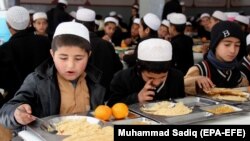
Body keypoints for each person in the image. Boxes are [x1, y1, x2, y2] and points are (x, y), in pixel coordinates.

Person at [0, 21, 106, 129]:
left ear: (89, 55)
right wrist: (15, 114)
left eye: (78, 58)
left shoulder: (96, 81)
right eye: (63, 58)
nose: (70, 66)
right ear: (52, 54)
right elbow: (5, 113)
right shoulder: (38, 81)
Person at [107, 38, 185, 106]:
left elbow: (181, 104)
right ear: (139, 68)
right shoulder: (122, 78)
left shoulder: (177, 77)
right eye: (150, 77)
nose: (156, 82)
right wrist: (136, 98)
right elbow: (111, 106)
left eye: (162, 77)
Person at [0, 6, 51, 108]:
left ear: (7, 24)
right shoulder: (46, 42)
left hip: (16, 105)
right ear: (29, 23)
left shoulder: (5, 49)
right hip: (46, 101)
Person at [185, 21, 249, 95]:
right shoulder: (201, 69)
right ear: (215, 45)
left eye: (237, 45)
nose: (233, 50)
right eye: (227, 44)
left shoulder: (235, 71)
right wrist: (195, 79)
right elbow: (181, 86)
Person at [75, 8, 123, 101]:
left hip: (82, 96)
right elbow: (119, 66)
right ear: (94, 27)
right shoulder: (106, 44)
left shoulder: (75, 45)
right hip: (106, 96)